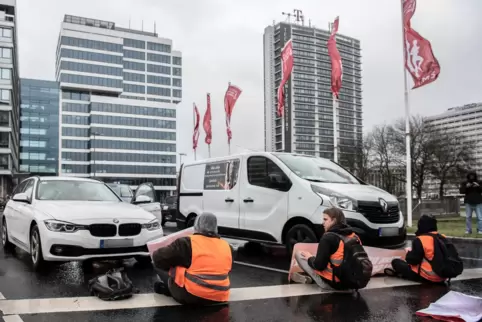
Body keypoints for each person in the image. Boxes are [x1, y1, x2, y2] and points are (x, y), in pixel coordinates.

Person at [152, 213, 234, 305]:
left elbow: (158, 258)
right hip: (220, 296)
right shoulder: (227, 246)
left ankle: (168, 288)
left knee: (161, 262)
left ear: (197, 224)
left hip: (193, 295)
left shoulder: (186, 242)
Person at [293, 207, 372, 291]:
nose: (322, 223)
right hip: (353, 283)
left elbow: (319, 266)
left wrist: (309, 258)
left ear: (334, 220)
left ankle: (316, 280)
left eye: (325, 219)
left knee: (299, 254)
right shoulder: (354, 236)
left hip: (334, 284)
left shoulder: (328, 238)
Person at [390, 215, 461, 283]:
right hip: (442, 276)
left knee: (396, 262)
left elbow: (413, 261)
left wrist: (408, 253)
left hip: (428, 276)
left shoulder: (421, 239)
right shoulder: (442, 237)